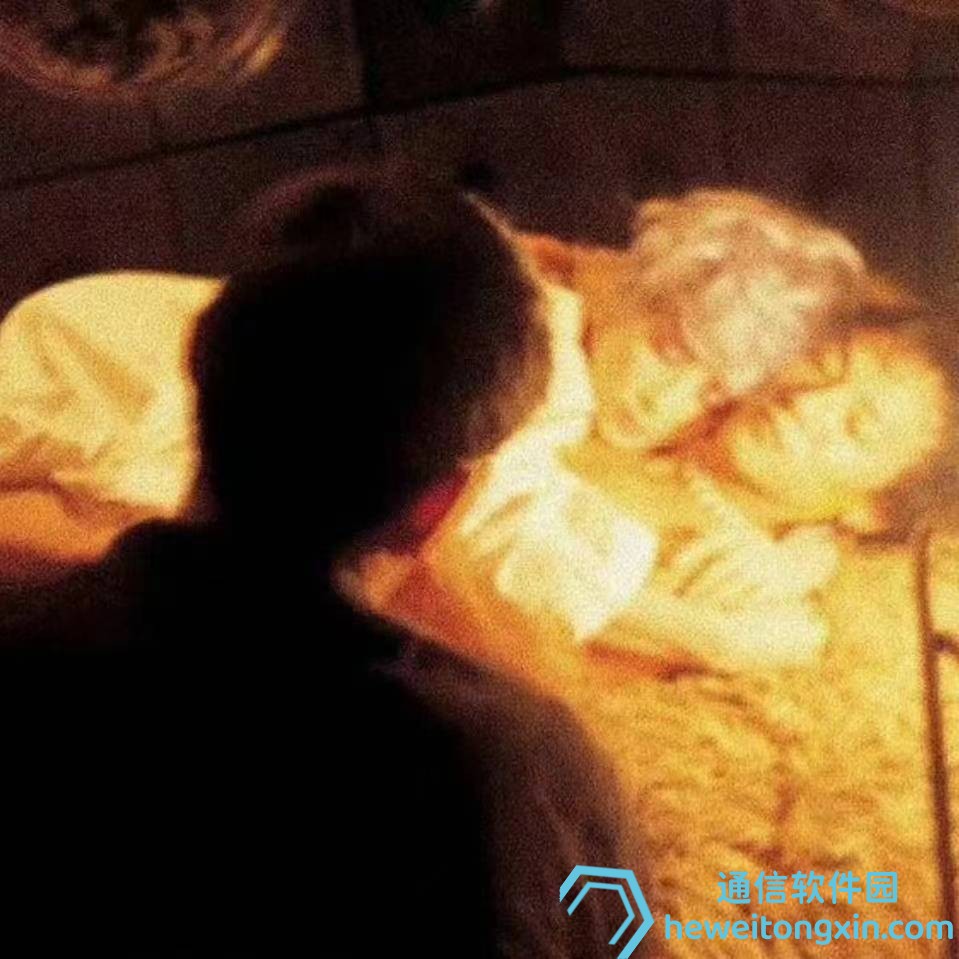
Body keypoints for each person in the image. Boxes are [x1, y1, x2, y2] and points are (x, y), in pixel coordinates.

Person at [0, 166, 626, 957]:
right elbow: (625, 933)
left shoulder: (28, 664)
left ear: (199, 375)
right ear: (437, 507)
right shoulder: (521, 770)